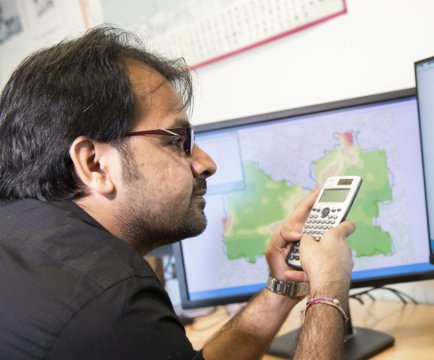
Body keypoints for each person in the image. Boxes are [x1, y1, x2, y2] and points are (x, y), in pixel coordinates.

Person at [0, 26, 355, 360]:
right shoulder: (109, 302)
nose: (206, 163)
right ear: (94, 164)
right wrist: (328, 290)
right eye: (176, 142)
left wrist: (281, 289)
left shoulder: (21, 232)